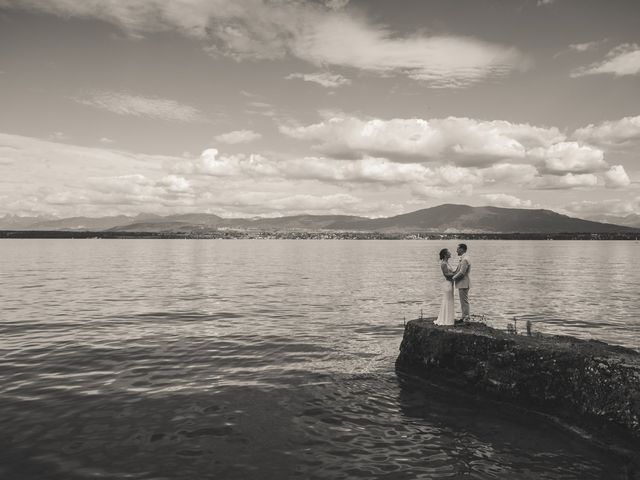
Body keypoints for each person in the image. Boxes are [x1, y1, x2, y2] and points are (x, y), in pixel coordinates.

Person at [434, 248, 455, 325]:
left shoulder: (447, 262)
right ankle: (446, 320)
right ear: (445, 255)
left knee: (450, 300)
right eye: (449, 252)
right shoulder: (443, 264)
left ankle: (449, 319)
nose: (450, 253)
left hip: (451, 283)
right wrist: (456, 274)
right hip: (448, 284)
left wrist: (455, 272)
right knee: (447, 300)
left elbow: (450, 272)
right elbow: (446, 274)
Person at [451, 243, 471, 322]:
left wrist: (453, 278)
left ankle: (466, 318)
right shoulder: (464, 258)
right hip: (463, 283)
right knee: (463, 301)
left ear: (462, 249)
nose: (456, 251)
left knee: (464, 301)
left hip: (464, 283)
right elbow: (458, 271)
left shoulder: (465, 259)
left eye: (458, 249)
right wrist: (453, 273)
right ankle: (464, 317)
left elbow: (462, 272)